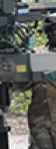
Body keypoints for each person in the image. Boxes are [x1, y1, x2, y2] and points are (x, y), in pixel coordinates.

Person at [28, 15, 56, 149]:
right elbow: (20, 84)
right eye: (51, 30)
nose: (54, 33)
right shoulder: (37, 55)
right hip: (42, 123)